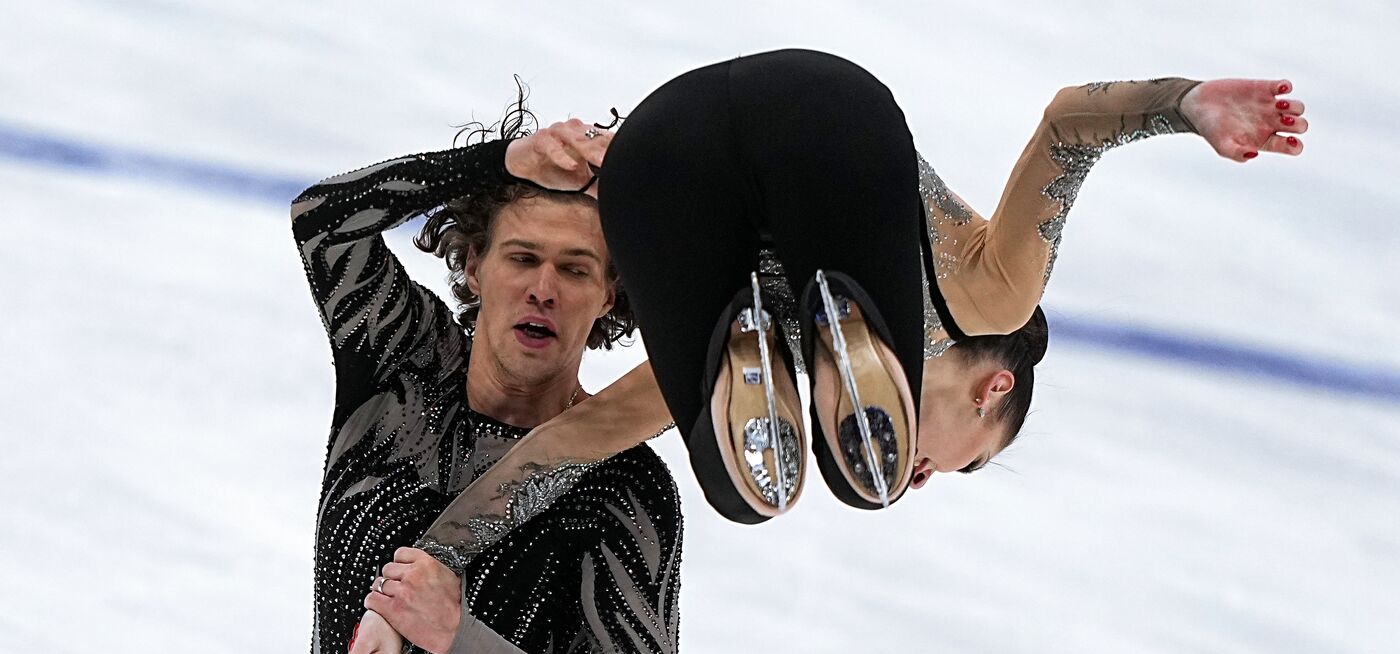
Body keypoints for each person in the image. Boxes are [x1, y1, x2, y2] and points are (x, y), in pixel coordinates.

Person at [403, 49, 1308, 528]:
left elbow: (580, 437)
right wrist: (1188, 102)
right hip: (821, 126)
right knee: (846, 480)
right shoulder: (998, 302)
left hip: (677, 139)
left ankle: (767, 317)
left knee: (742, 482)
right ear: (995, 388)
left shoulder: (780, 382)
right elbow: (1073, 124)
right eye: (963, 465)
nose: (926, 481)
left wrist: (444, 549)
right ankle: (834, 299)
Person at [221, 102, 682, 654]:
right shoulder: (399, 364)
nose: (543, 288)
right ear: (474, 265)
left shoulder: (623, 487)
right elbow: (322, 220)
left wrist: (457, 634)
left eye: (575, 269)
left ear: (610, 294)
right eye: (521, 257)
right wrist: (502, 163)